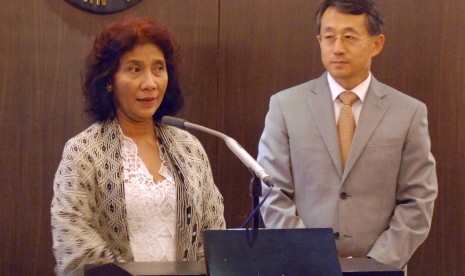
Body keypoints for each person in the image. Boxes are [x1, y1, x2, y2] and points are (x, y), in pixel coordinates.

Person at [257, 0, 438, 269]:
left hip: (381, 268)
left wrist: (375, 263)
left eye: (349, 37)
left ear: (376, 44)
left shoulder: (409, 112)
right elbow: (272, 193)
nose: (337, 48)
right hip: (305, 268)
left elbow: (418, 200)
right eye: (329, 37)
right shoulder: (285, 106)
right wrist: (313, 258)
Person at [50, 17, 226, 276]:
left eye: (158, 69)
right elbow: (74, 243)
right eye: (135, 69)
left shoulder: (189, 147)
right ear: (109, 79)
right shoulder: (83, 150)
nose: (150, 83)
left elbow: (214, 234)